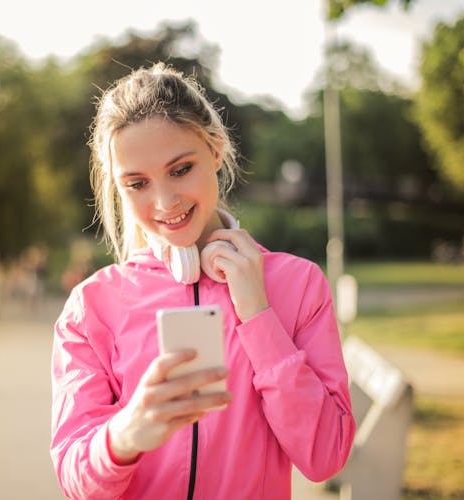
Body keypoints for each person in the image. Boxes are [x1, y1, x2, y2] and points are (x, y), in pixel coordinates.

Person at [50, 63, 355, 500]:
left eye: (180, 169)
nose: (164, 201)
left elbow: (326, 456)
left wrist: (258, 316)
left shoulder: (298, 284)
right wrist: (123, 436)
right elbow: (77, 483)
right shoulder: (91, 307)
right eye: (137, 183)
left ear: (215, 148)